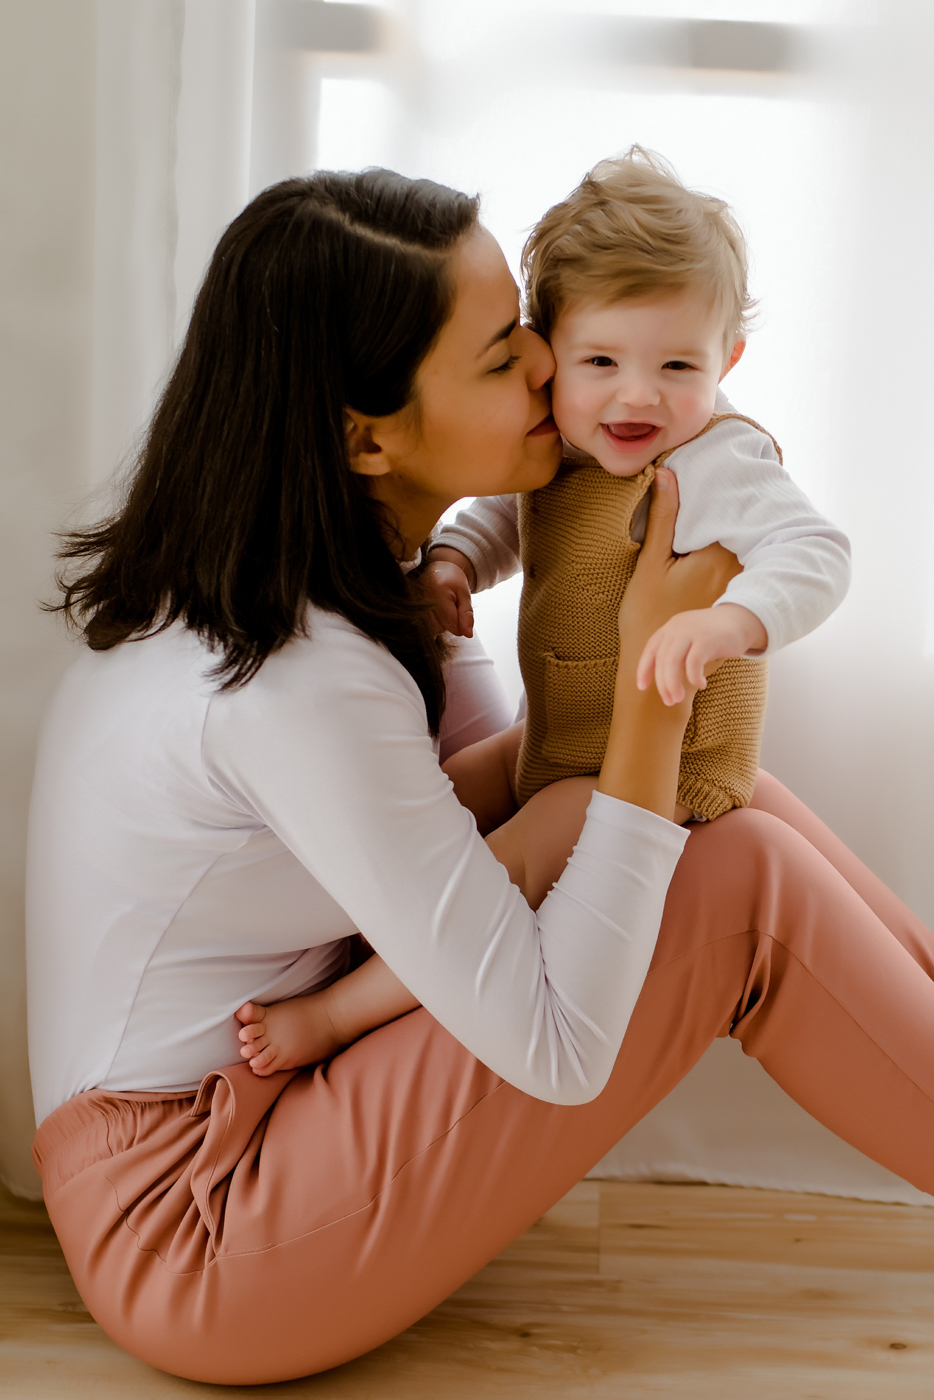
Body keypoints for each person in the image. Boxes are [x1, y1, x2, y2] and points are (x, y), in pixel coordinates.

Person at [26, 169, 934, 1388]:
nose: (552, 374)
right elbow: (556, 1045)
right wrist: (654, 690)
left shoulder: (335, 574)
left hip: (257, 1105)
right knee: (740, 880)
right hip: (200, 1219)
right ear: (365, 434)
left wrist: (629, 734)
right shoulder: (298, 676)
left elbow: (503, 808)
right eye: (509, 349)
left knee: (729, 806)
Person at [427, 147, 850, 814]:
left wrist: (733, 624)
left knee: (507, 867)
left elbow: (816, 551)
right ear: (548, 348)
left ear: (726, 359)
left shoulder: (713, 455)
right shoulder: (564, 442)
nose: (637, 396)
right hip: (556, 744)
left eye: (678, 367)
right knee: (441, 799)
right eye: (600, 360)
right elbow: (510, 513)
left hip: (669, 771)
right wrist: (456, 561)